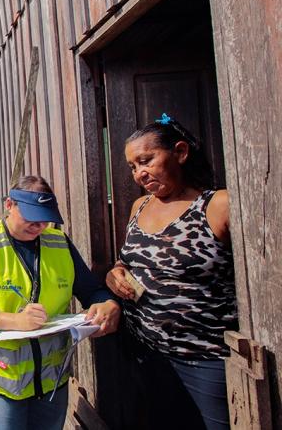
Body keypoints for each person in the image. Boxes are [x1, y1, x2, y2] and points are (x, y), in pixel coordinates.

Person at [0, 175, 120, 430]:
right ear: (9, 205)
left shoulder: (59, 243)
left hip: (52, 382)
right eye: (31, 215)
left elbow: (91, 291)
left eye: (45, 217)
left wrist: (107, 303)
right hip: (2, 384)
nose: (39, 224)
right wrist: (14, 321)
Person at [105, 114, 235, 430]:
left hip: (204, 359)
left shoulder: (218, 205)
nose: (139, 173)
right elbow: (128, 263)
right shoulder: (140, 207)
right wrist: (115, 275)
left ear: (179, 152)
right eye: (133, 167)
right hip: (146, 353)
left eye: (146, 160)